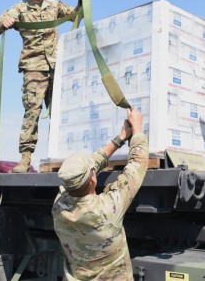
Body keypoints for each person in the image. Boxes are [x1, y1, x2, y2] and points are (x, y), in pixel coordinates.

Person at [0, 0, 76, 173]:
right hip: (33, 68)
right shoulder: (19, 8)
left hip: (57, 66)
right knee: (32, 111)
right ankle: (26, 158)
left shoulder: (54, 5)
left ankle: (63, 155)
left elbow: (76, 15)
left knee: (60, 113)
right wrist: (4, 24)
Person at [51, 108, 148, 280]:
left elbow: (85, 171)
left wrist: (121, 138)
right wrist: (137, 127)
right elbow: (137, 164)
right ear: (93, 179)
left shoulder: (59, 206)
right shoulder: (107, 210)